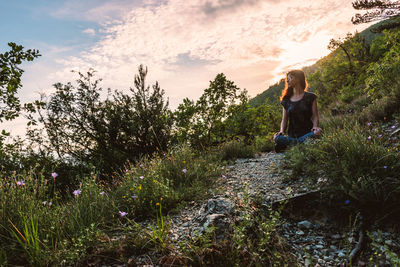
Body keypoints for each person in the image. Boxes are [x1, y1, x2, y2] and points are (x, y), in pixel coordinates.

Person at [273, 70, 322, 152]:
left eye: (290, 78)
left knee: (318, 132)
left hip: (308, 133)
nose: (287, 80)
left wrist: (315, 127)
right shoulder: (286, 100)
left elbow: (315, 116)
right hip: (292, 135)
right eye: (287, 79)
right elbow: (284, 119)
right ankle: (300, 144)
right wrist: (281, 131)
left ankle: (291, 145)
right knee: (277, 138)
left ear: (298, 79)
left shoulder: (311, 97)